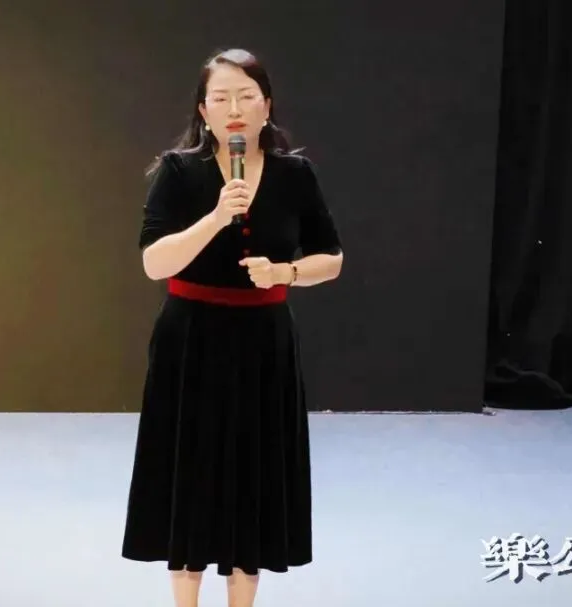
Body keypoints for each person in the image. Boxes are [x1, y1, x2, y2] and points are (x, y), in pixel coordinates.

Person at [121, 48, 343, 607]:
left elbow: (331, 257)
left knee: (253, 475)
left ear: (267, 105)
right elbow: (154, 262)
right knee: (189, 473)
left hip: (263, 341)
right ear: (203, 110)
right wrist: (217, 217)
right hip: (190, 340)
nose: (235, 109)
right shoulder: (177, 172)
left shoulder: (296, 175)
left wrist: (286, 272)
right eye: (220, 98)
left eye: (246, 96)